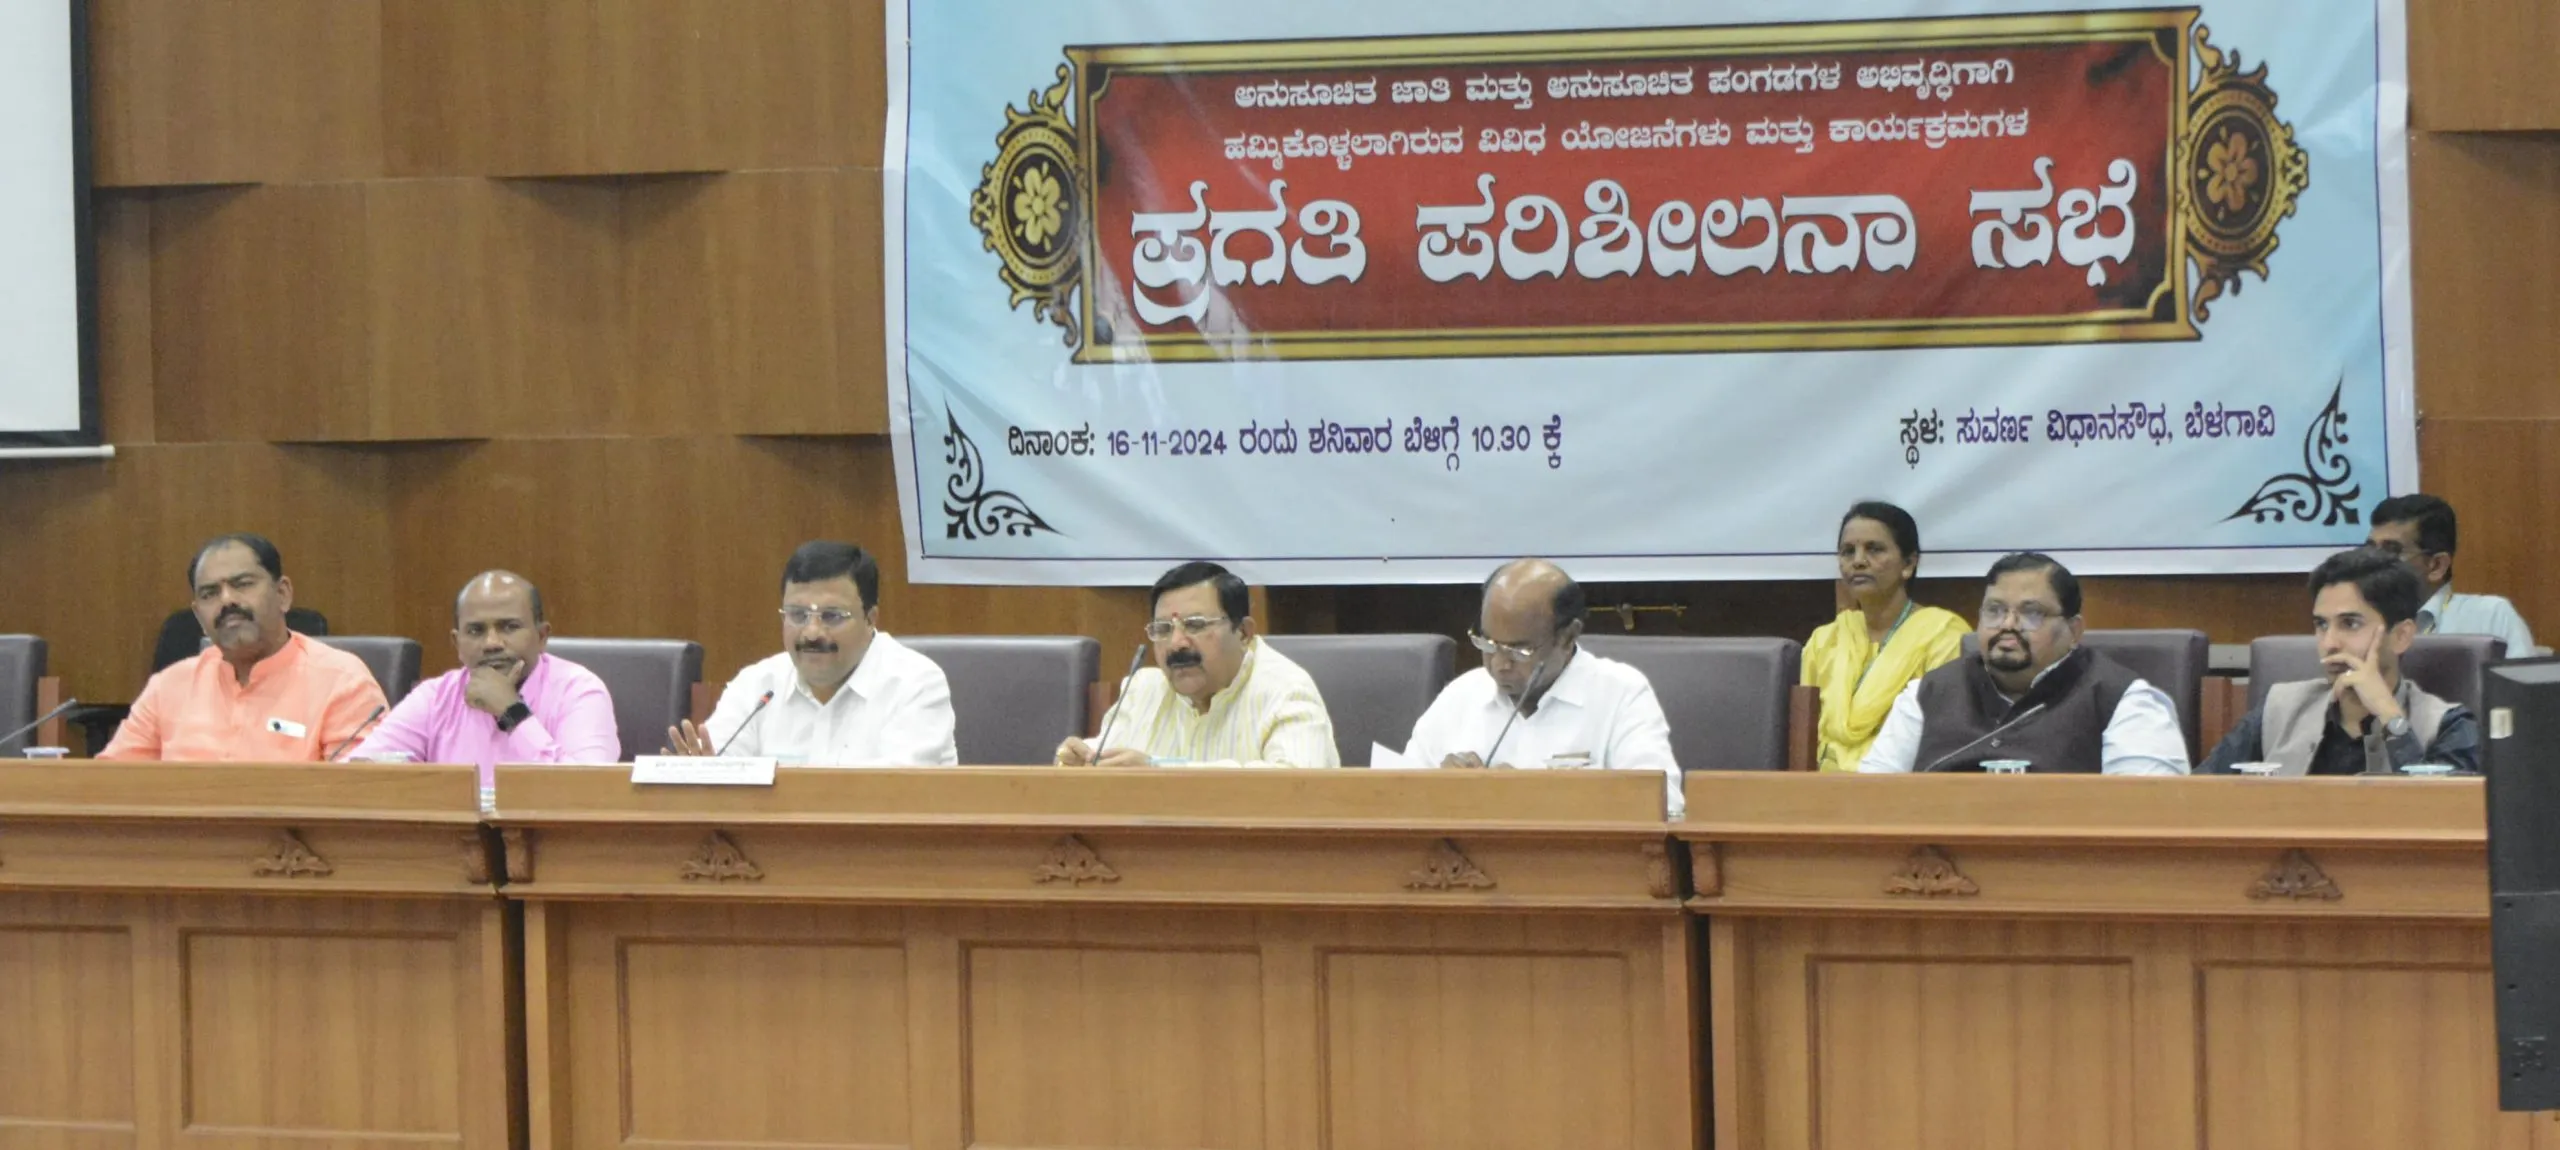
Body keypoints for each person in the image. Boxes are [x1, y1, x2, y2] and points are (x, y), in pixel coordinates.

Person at [1858, 552, 2189, 775]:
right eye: (1995, 610)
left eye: (2031, 613)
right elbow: (1870, 798)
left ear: (2074, 631)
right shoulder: (1926, 694)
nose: (2008, 625)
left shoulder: (2124, 700)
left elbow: (2147, 814)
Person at [1400, 558, 1682, 813]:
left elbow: (1664, 805)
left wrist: (1535, 795)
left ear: (1568, 637)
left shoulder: (1620, 694)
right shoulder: (1461, 695)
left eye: (1519, 651)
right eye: (1488, 644)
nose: (1499, 664)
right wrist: (1439, 790)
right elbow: (1396, 796)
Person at [100, 533, 387, 761]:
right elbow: (109, 785)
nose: (227, 600)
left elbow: (360, 794)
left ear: (282, 594)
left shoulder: (341, 682)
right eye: (210, 593)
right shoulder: (169, 687)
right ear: (199, 615)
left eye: (243, 584)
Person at [668, 541, 957, 765]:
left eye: (832, 616)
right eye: (798, 615)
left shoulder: (916, 684)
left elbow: (898, 793)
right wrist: (704, 781)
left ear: (871, 619)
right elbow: (719, 769)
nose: (812, 633)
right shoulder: (758, 687)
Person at [2200, 548, 2480, 775]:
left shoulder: (2448, 725)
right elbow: (2196, 796)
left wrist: (2390, 718)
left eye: (2350, 624)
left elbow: (2443, 815)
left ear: (2401, 636)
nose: (2329, 643)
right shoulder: (2279, 709)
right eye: (2321, 625)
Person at [1055, 561, 1337, 768]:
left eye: (1196, 625)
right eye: (1163, 629)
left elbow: (1296, 787)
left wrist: (1159, 770)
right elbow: (1108, 758)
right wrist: (1081, 757)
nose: (1177, 643)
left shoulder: (1287, 690)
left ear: (1243, 633)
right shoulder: (1143, 691)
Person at [348, 571, 620, 768]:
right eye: (476, 631)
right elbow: (357, 776)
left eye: (509, 627)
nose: (492, 643)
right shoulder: (434, 697)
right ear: (457, 643)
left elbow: (590, 792)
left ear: (541, 636)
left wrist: (512, 712)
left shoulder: (578, 690)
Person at [1802, 502, 1971, 771]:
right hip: (1819, 786)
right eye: (1848, 551)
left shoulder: (1943, 635)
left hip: (1900, 786)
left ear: (1908, 564)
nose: (1858, 561)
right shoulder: (1825, 640)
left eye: (1874, 549)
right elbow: (1803, 736)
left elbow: (1943, 737)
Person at [2367, 494, 2534, 654]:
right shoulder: (2359, 621)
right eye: (2370, 548)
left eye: (2391, 550)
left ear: (2437, 566)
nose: (2374, 560)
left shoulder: (2490, 617)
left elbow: (2520, 675)